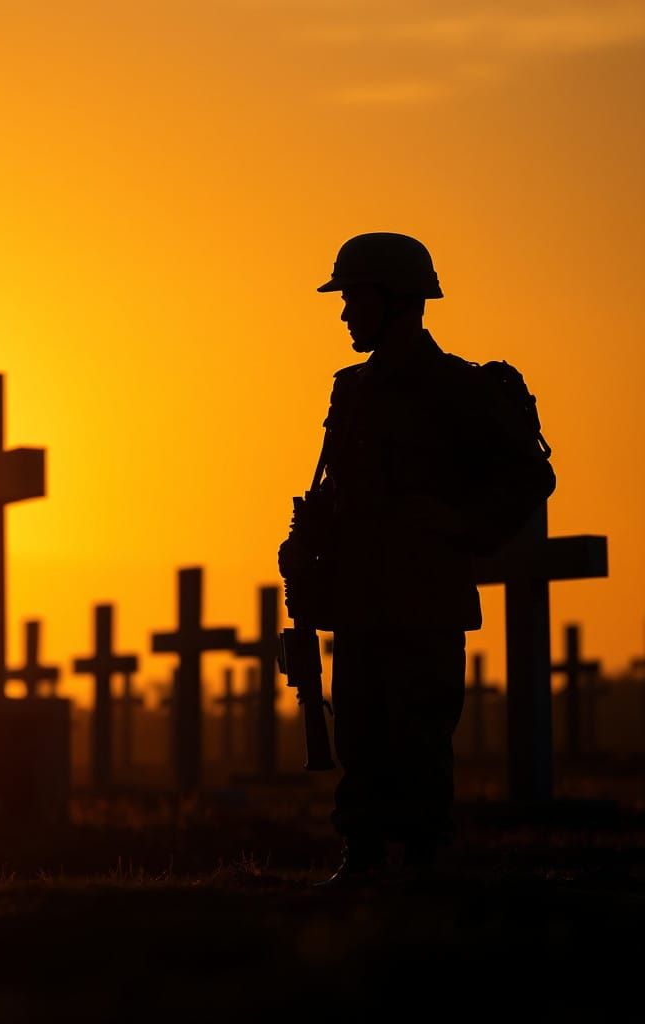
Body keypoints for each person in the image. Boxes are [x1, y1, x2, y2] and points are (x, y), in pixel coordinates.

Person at [279, 232, 554, 882]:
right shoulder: (351, 390)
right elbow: (337, 488)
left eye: (354, 298)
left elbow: (528, 478)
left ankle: (428, 859)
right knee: (362, 734)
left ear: (397, 301)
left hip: (425, 598)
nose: (345, 313)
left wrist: (461, 526)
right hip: (360, 595)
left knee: (420, 737)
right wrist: (306, 544)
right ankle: (364, 854)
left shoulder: (461, 389)